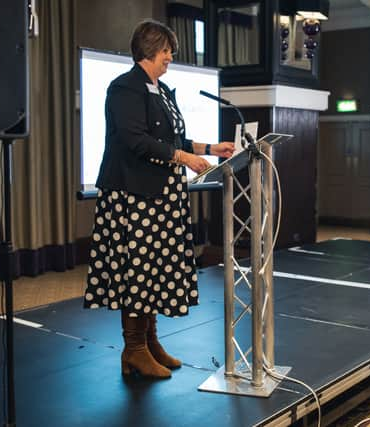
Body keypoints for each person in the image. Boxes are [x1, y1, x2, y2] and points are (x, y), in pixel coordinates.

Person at [83, 19, 235, 379]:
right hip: (132, 197)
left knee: (152, 271)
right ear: (150, 49)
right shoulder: (124, 88)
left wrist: (211, 149)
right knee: (137, 271)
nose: (170, 56)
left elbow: (173, 139)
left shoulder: (162, 90)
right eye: (166, 50)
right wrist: (183, 159)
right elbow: (136, 140)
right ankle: (133, 348)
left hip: (160, 198)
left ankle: (149, 342)